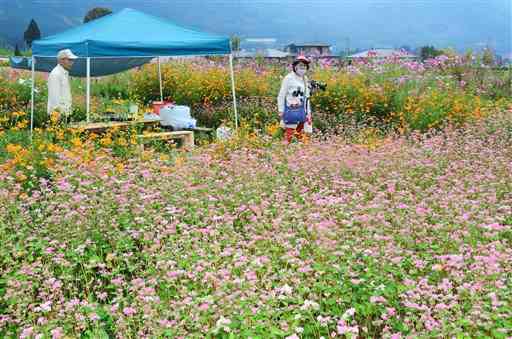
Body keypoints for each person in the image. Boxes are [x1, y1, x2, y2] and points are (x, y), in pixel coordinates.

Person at [277, 55, 313, 143]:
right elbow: (281, 95)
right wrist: (281, 110)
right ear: (295, 67)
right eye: (300, 66)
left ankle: (299, 152)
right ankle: (285, 148)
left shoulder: (305, 79)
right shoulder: (288, 78)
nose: (302, 68)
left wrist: (308, 112)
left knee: (303, 133)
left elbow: (307, 97)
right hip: (291, 109)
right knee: (290, 132)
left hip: (303, 110)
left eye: (304, 66)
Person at [47, 49, 78, 120]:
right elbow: (54, 97)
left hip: (65, 114)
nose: (72, 62)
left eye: (72, 60)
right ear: (61, 60)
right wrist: (57, 115)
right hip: (58, 116)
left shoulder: (63, 73)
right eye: (69, 60)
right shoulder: (55, 74)